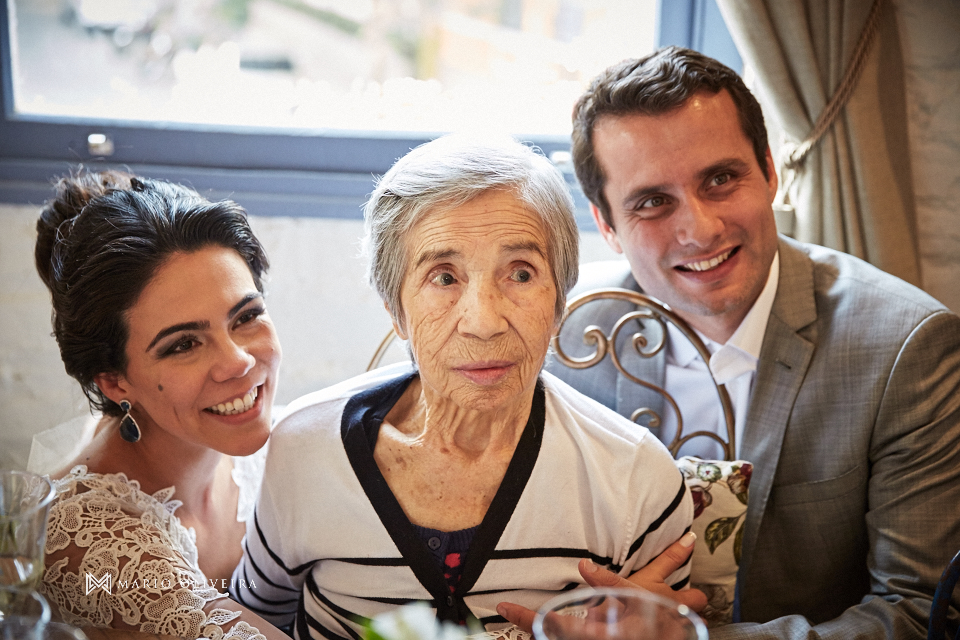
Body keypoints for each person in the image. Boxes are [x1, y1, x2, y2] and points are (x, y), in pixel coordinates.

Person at [499, 47, 960, 637]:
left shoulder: (907, 349)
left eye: (720, 179)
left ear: (769, 172)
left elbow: (921, 614)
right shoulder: (549, 338)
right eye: (652, 203)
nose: (700, 230)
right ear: (607, 225)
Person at [231, 134, 699, 639]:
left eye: (520, 273)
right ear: (396, 310)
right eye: (444, 277)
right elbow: (253, 622)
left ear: (560, 300)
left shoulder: (635, 480)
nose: (484, 321)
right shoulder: (305, 449)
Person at [35, 170, 288, 640]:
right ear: (114, 382)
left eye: (246, 316)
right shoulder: (100, 552)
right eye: (183, 345)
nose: (238, 362)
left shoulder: (262, 438)